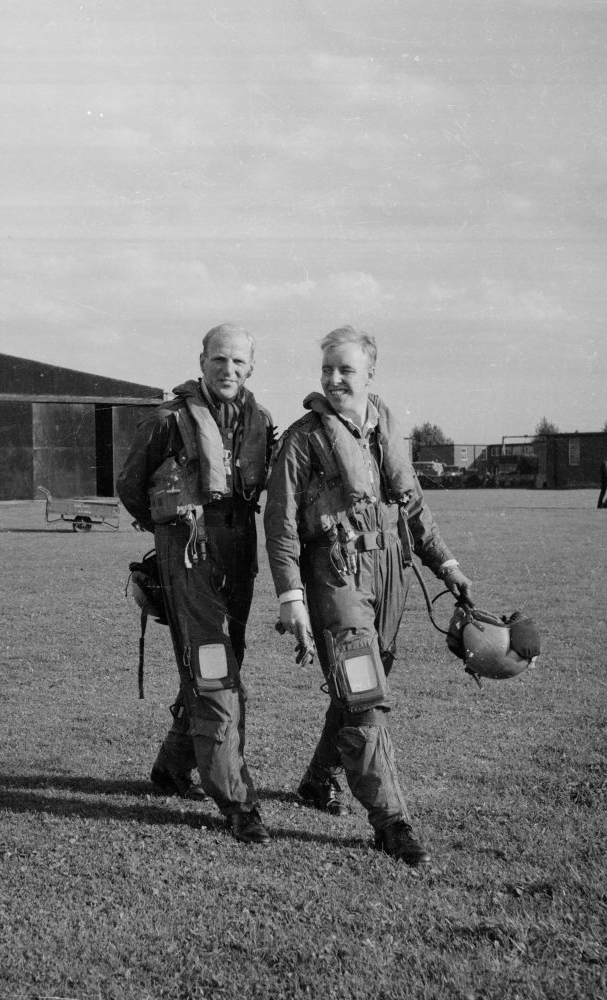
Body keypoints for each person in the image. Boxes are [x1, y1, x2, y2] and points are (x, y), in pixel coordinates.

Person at [263, 326, 473, 866]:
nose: (334, 379)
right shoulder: (302, 439)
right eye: (327, 369)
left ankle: (317, 781)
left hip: (390, 580)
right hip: (336, 577)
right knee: (364, 694)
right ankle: (392, 822)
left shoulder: (385, 428)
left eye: (346, 370)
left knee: (362, 686)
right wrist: (292, 597)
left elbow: (414, 507)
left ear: (369, 373)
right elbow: (281, 525)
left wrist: (446, 565)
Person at [116, 324, 275, 845]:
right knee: (213, 671)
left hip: (238, 555)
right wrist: (168, 534)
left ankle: (170, 766)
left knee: (227, 660)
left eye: (238, 362)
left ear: (251, 367)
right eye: (219, 360)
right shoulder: (169, 420)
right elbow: (131, 486)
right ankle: (236, 801)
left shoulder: (262, 420)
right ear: (201, 361)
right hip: (188, 554)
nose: (228, 370)